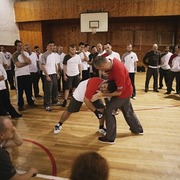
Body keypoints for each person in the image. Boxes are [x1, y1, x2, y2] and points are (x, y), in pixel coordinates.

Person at [93, 56, 143, 144]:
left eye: (99, 69)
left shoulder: (118, 71)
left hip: (123, 93)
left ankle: (110, 138)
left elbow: (118, 93)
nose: (100, 72)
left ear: (102, 66)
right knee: (128, 111)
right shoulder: (112, 61)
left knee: (108, 110)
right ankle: (138, 129)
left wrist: (102, 94)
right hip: (127, 90)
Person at [11, 40, 36, 111]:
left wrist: (22, 54)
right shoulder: (14, 55)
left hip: (27, 74)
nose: (20, 47)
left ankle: (30, 102)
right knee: (20, 91)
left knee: (29, 90)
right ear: (16, 46)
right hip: (19, 75)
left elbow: (29, 61)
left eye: (21, 45)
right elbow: (18, 65)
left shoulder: (25, 53)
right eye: (19, 45)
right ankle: (20, 105)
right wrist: (26, 63)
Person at [41, 41, 61, 111]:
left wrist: (57, 73)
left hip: (54, 74)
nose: (51, 47)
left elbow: (55, 64)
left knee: (55, 89)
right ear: (47, 47)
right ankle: (47, 104)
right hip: (48, 75)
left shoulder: (53, 55)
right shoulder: (44, 55)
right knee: (48, 91)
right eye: (50, 45)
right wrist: (47, 76)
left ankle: (55, 101)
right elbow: (43, 66)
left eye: (52, 46)